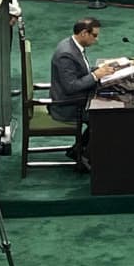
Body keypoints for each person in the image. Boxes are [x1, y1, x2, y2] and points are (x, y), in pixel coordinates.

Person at [49, 17, 114, 168]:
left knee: (106, 111)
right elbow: (71, 86)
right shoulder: (66, 54)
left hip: (77, 99)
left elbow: (79, 72)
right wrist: (95, 75)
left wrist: (99, 70)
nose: (96, 39)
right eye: (94, 35)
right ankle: (85, 158)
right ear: (84, 33)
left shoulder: (73, 45)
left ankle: (78, 149)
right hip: (67, 106)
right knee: (106, 117)